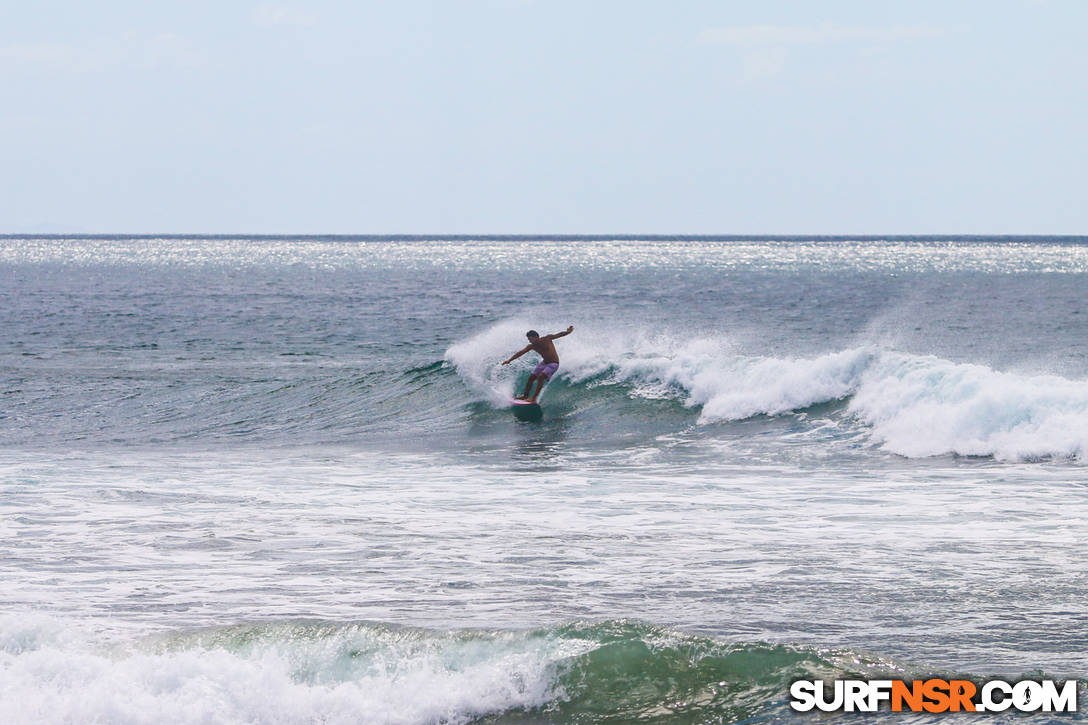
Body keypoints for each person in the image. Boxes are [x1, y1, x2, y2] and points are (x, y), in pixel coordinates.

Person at [501, 326, 574, 402]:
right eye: (528, 339)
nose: (529, 341)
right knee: (531, 378)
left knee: (541, 377)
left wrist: (567, 332)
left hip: (553, 363)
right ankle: (525, 396)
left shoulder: (547, 339)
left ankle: (534, 398)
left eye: (530, 339)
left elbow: (558, 335)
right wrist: (509, 360)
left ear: (535, 337)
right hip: (544, 363)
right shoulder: (532, 346)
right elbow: (520, 353)